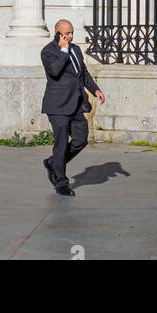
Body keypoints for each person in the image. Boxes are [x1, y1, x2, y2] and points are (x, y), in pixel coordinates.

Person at [40, 20, 106, 197]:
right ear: (57, 33)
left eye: (71, 33)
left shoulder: (76, 50)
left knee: (80, 140)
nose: (69, 37)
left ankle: (54, 163)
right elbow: (54, 72)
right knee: (61, 143)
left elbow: (83, 73)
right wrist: (63, 50)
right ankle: (61, 183)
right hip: (58, 105)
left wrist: (95, 89)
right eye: (65, 34)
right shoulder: (48, 51)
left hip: (76, 103)